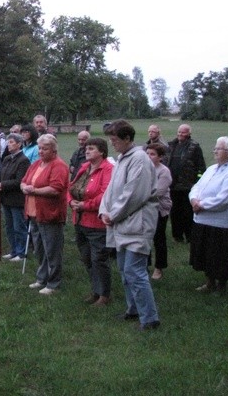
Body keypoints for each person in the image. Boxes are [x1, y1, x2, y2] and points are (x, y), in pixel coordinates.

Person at [99, 119, 160, 331]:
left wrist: (113, 214)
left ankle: (150, 318)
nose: (112, 143)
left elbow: (134, 194)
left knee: (135, 271)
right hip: (122, 224)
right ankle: (133, 309)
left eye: (114, 139)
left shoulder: (140, 159)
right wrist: (104, 210)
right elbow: (111, 189)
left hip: (137, 224)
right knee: (125, 271)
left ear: (127, 138)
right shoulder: (123, 158)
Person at [189, 137, 228, 292]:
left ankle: (221, 284)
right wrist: (193, 200)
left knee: (219, 254)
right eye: (216, 147)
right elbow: (197, 187)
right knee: (206, 253)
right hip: (202, 219)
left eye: (218, 148)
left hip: (219, 222)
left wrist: (201, 205)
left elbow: (224, 199)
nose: (215, 151)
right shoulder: (212, 168)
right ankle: (210, 281)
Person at [21, 134, 69, 295]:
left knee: (52, 250)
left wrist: (33, 190)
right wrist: (23, 187)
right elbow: (24, 180)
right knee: (39, 249)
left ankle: (53, 282)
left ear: (54, 150)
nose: (41, 151)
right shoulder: (35, 164)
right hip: (34, 213)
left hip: (50, 214)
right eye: (40, 148)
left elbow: (56, 189)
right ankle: (42, 278)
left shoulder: (59, 166)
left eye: (45, 148)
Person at [68, 137, 114, 305]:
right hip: (79, 220)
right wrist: (70, 201)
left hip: (96, 222)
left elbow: (105, 194)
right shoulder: (84, 167)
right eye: (87, 148)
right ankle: (96, 290)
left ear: (102, 151)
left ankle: (104, 294)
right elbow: (70, 187)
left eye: (92, 148)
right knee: (87, 258)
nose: (87, 151)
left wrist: (86, 205)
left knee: (99, 259)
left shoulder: (108, 169)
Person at [167, 124, 206, 243]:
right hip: (173, 186)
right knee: (175, 212)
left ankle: (190, 236)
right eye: (179, 132)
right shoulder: (172, 145)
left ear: (189, 133)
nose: (180, 134)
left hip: (188, 186)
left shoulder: (194, 147)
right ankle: (177, 236)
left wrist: (196, 182)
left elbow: (201, 167)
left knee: (187, 212)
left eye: (183, 132)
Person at [0, 133, 30, 261]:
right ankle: (13, 250)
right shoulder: (7, 159)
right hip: (5, 198)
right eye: (8, 142)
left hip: (16, 199)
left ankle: (21, 252)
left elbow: (19, 180)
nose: (8, 145)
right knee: (8, 226)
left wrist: (2, 184)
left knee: (18, 226)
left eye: (11, 142)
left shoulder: (23, 160)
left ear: (19, 144)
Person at [146, 143, 172, 280]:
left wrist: (138, 196)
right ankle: (146, 264)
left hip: (159, 209)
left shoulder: (164, 171)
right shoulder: (143, 169)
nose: (149, 157)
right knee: (145, 238)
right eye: (147, 153)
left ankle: (159, 267)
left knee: (158, 238)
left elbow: (158, 192)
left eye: (152, 154)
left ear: (160, 157)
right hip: (145, 208)